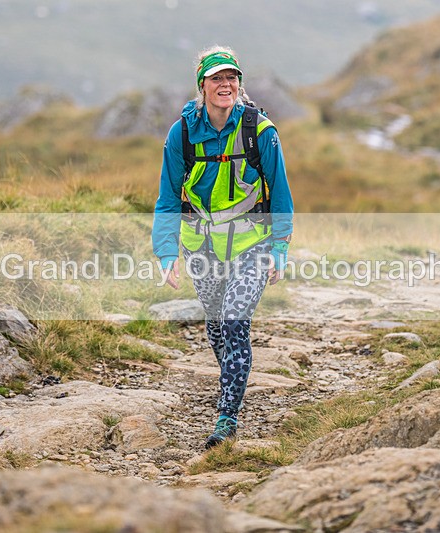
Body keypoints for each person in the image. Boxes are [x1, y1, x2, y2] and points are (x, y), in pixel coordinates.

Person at [151, 46, 294, 449]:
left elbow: (280, 192)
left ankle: (227, 416)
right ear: (202, 85)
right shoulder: (181, 134)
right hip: (202, 246)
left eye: (232, 77)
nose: (225, 84)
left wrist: (280, 247)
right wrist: (167, 252)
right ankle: (234, 377)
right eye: (216, 78)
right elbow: (168, 198)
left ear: (239, 84)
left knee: (234, 321)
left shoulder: (260, 131)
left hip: (253, 242)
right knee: (216, 326)